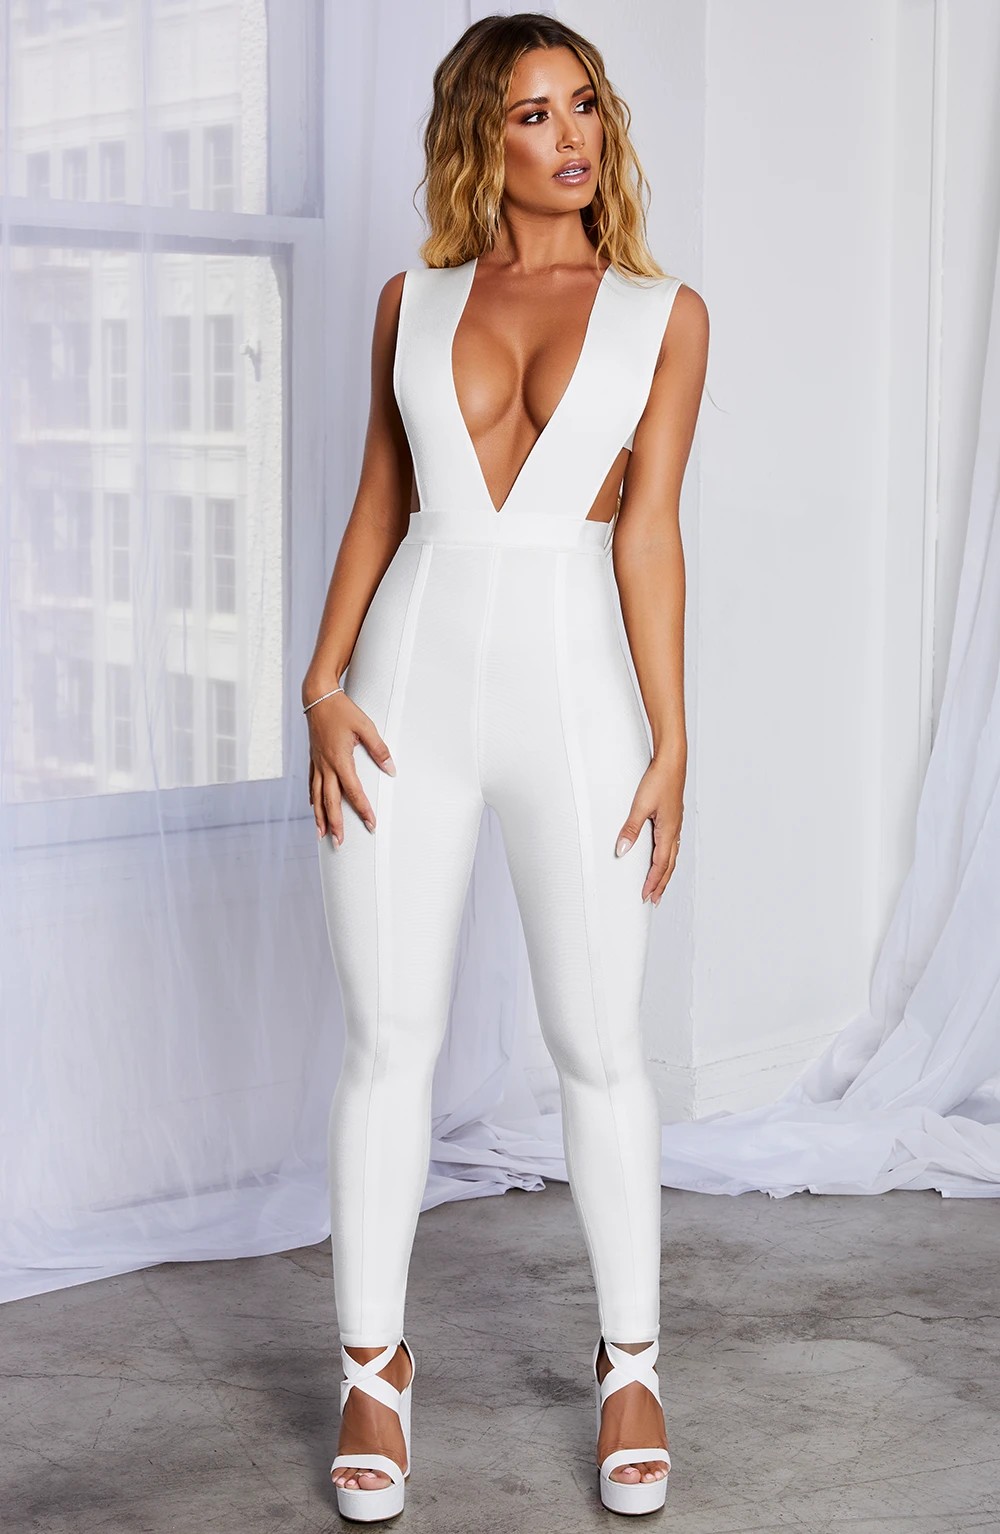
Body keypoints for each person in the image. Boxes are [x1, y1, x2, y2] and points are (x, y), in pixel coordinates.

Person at [302, 12, 709, 1521]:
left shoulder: (665, 316)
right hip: (407, 685)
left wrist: (671, 735)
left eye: (584, 104)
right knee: (385, 1041)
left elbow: (649, 533)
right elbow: (379, 499)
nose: (572, 135)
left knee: (600, 1044)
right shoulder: (409, 301)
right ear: (484, 134)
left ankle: (632, 1366)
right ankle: (372, 1369)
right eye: (534, 112)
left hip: (576, 694)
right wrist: (320, 682)